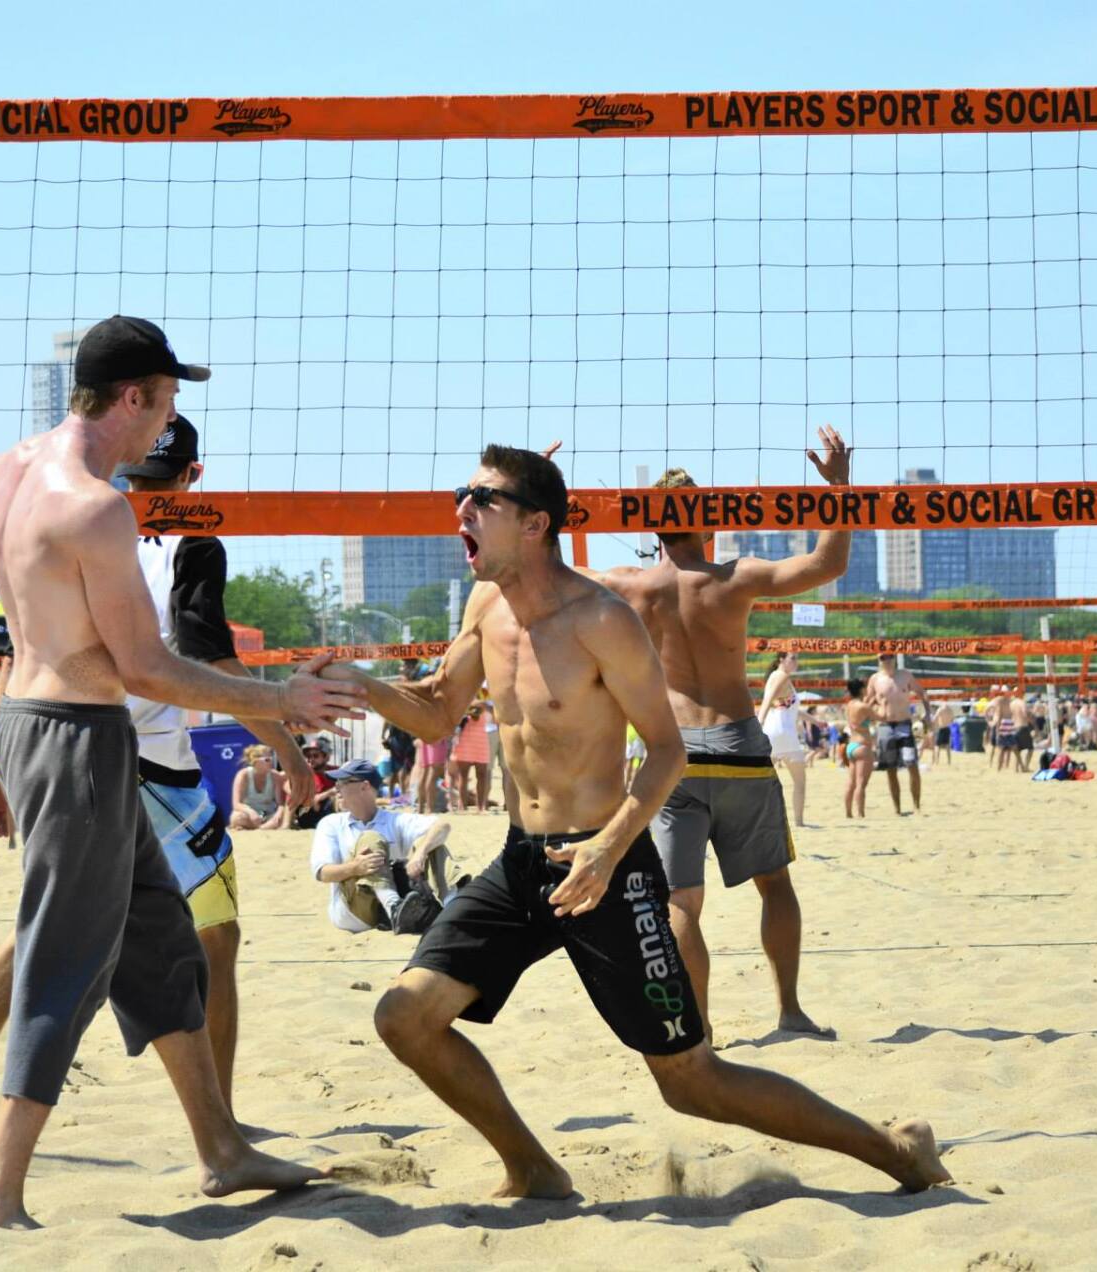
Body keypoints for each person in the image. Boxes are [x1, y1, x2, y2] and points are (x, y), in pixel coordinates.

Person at [315, 442, 948, 1200]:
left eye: (480, 499)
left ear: (535, 523)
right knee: (404, 1019)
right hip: (524, 862)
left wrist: (609, 848)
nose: (461, 510)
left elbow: (666, 749)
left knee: (691, 1082)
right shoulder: (487, 605)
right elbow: (438, 710)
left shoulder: (602, 617)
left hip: (606, 868)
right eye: (463, 495)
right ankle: (535, 1168)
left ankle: (895, 1150)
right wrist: (360, 684)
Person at [0, 314, 363, 1227]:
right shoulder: (95, 507)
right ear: (130, 398)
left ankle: (221, 1148)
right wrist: (281, 703)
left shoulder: (5, 470)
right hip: (79, 739)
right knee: (62, 957)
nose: (165, 423)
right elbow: (146, 668)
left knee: (165, 942)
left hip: (36, 723)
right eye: (164, 402)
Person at [0, 416, 317, 1145]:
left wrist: (1, 768)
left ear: (134, 472)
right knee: (217, 940)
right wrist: (287, 744)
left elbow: (19, 658)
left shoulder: (76, 516)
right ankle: (220, 1123)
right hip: (156, 773)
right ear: (194, 477)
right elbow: (214, 664)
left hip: (63, 751)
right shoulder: (194, 542)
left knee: (36, 935)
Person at [588, 429, 851, 1038]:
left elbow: (541, 572)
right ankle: (788, 1011)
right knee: (775, 884)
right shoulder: (736, 577)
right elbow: (826, 563)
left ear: (651, 528)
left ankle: (700, 1029)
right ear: (706, 521)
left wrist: (529, 498)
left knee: (681, 903)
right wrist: (837, 487)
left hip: (672, 755)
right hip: (738, 745)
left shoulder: (629, 585)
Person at [310, 758, 454, 934]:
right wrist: (355, 868)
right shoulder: (331, 823)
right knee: (370, 839)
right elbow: (322, 873)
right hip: (354, 911)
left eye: (342, 782)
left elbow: (442, 826)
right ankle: (393, 906)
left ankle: (454, 905)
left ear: (364, 786)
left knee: (433, 845)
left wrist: (420, 854)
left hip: (403, 911)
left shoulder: (393, 820)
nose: (336, 788)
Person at [757, 652, 815, 829]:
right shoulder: (781, 676)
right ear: (781, 659)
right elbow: (766, 701)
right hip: (784, 734)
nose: (797, 662)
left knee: (761, 782)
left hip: (775, 733)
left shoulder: (779, 677)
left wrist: (816, 721)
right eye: (793, 658)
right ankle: (799, 822)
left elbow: (792, 710)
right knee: (799, 782)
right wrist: (758, 723)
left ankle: (758, 821)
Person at [866, 653, 925, 812]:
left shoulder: (905, 675)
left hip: (904, 725)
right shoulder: (875, 679)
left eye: (890, 656)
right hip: (885, 726)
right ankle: (897, 809)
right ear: (878, 661)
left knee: (912, 764)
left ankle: (916, 806)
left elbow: (921, 692)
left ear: (894, 658)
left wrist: (928, 715)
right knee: (890, 768)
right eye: (882, 657)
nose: (887, 660)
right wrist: (870, 718)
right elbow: (868, 703)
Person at [229, 744, 291, 831]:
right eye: (267, 760)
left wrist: (278, 814)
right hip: (249, 814)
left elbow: (280, 803)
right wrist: (251, 812)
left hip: (268, 814)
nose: (271, 762)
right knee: (236, 818)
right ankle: (261, 828)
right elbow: (236, 804)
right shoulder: (243, 775)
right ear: (255, 761)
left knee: (281, 817)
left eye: (272, 758)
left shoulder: (275, 776)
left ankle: (260, 829)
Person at [450, 701, 493, 812]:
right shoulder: (464, 699)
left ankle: (481, 806)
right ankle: (462, 806)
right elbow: (470, 715)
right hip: (465, 741)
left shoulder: (485, 700)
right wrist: (473, 707)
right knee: (463, 776)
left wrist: (483, 706)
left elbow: (492, 717)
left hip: (481, 740)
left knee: (482, 775)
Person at [842, 676, 875, 819]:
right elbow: (879, 716)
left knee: (851, 782)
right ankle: (861, 813)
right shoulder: (863, 706)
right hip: (863, 745)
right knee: (861, 783)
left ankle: (848, 813)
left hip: (851, 745)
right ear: (862, 689)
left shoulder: (849, 705)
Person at [383, 719, 417, 802]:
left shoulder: (392, 711)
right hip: (402, 740)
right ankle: (403, 794)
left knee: (396, 769)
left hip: (396, 739)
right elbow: (386, 720)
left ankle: (392, 794)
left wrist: (383, 735)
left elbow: (386, 721)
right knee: (403, 768)